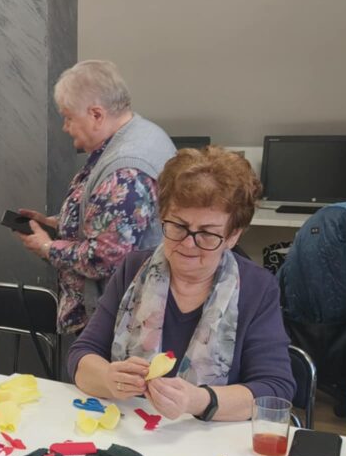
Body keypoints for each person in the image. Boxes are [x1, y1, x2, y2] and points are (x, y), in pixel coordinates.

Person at [68, 146, 295, 421]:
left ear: (233, 235)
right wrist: (108, 377)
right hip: (132, 430)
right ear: (162, 217)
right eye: (178, 226)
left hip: (210, 439)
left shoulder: (257, 288)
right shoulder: (134, 269)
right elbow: (82, 356)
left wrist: (199, 400)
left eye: (208, 234)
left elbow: (276, 390)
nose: (188, 244)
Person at [16, 60, 176, 335]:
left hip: (119, 321)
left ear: (96, 114)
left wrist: (47, 246)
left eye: (68, 117)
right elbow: (111, 219)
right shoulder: (142, 133)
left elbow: (104, 257)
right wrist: (57, 223)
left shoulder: (126, 171)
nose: (65, 127)